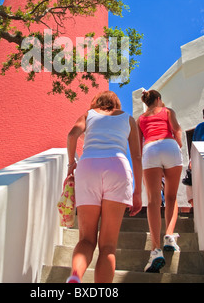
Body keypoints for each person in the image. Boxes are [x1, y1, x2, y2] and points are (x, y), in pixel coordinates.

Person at [66, 90, 142, 283]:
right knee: (108, 246)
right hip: (117, 168)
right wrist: (138, 192)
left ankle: (75, 277)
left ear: (97, 102)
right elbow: (137, 156)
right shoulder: (128, 119)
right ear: (116, 104)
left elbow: (72, 135)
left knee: (86, 240)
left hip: (88, 166)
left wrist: (70, 164)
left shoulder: (88, 114)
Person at [137, 90, 183, 273]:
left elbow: (139, 145)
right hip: (169, 145)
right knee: (171, 197)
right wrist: (177, 146)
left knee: (153, 201)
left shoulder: (140, 119)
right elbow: (177, 130)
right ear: (158, 99)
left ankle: (156, 250)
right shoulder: (168, 111)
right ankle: (169, 236)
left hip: (150, 150)